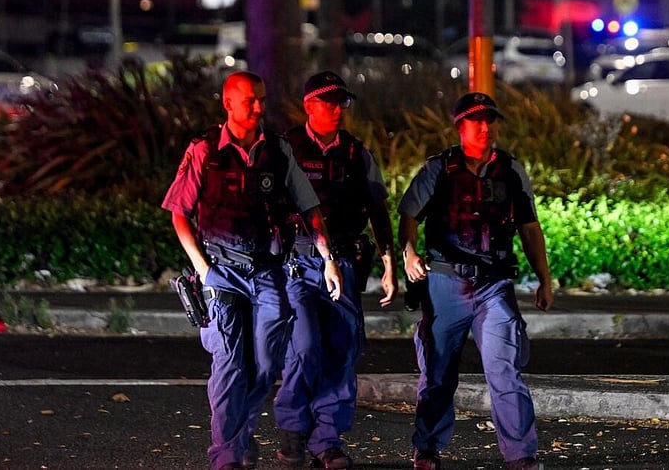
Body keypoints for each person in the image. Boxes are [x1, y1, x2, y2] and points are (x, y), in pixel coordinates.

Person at [161, 71, 343, 470]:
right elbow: (178, 212)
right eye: (250, 101)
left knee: (264, 365)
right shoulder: (204, 150)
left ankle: (240, 436)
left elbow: (309, 207)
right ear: (228, 104)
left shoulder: (277, 150)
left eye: (262, 99)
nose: (259, 107)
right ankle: (225, 457)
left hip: (267, 271)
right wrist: (202, 269)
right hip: (220, 271)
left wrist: (328, 258)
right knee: (229, 365)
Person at [397, 92, 554, 470]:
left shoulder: (511, 171)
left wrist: (544, 279)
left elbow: (530, 228)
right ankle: (427, 447)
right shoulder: (438, 169)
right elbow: (408, 216)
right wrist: (409, 254)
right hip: (445, 283)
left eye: (490, 120)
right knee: (437, 372)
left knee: (505, 369)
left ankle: (521, 455)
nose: (485, 128)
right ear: (460, 127)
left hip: (494, 284)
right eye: (475, 121)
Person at [274, 70, 398, 469]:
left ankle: (326, 439)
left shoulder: (356, 153)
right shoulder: (285, 149)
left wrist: (389, 261)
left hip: (343, 261)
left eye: (341, 103)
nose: (338, 110)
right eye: (329, 102)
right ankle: (294, 427)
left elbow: (378, 209)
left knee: (342, 349)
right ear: (309, 105)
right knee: (305, 345)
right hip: (297, 260)